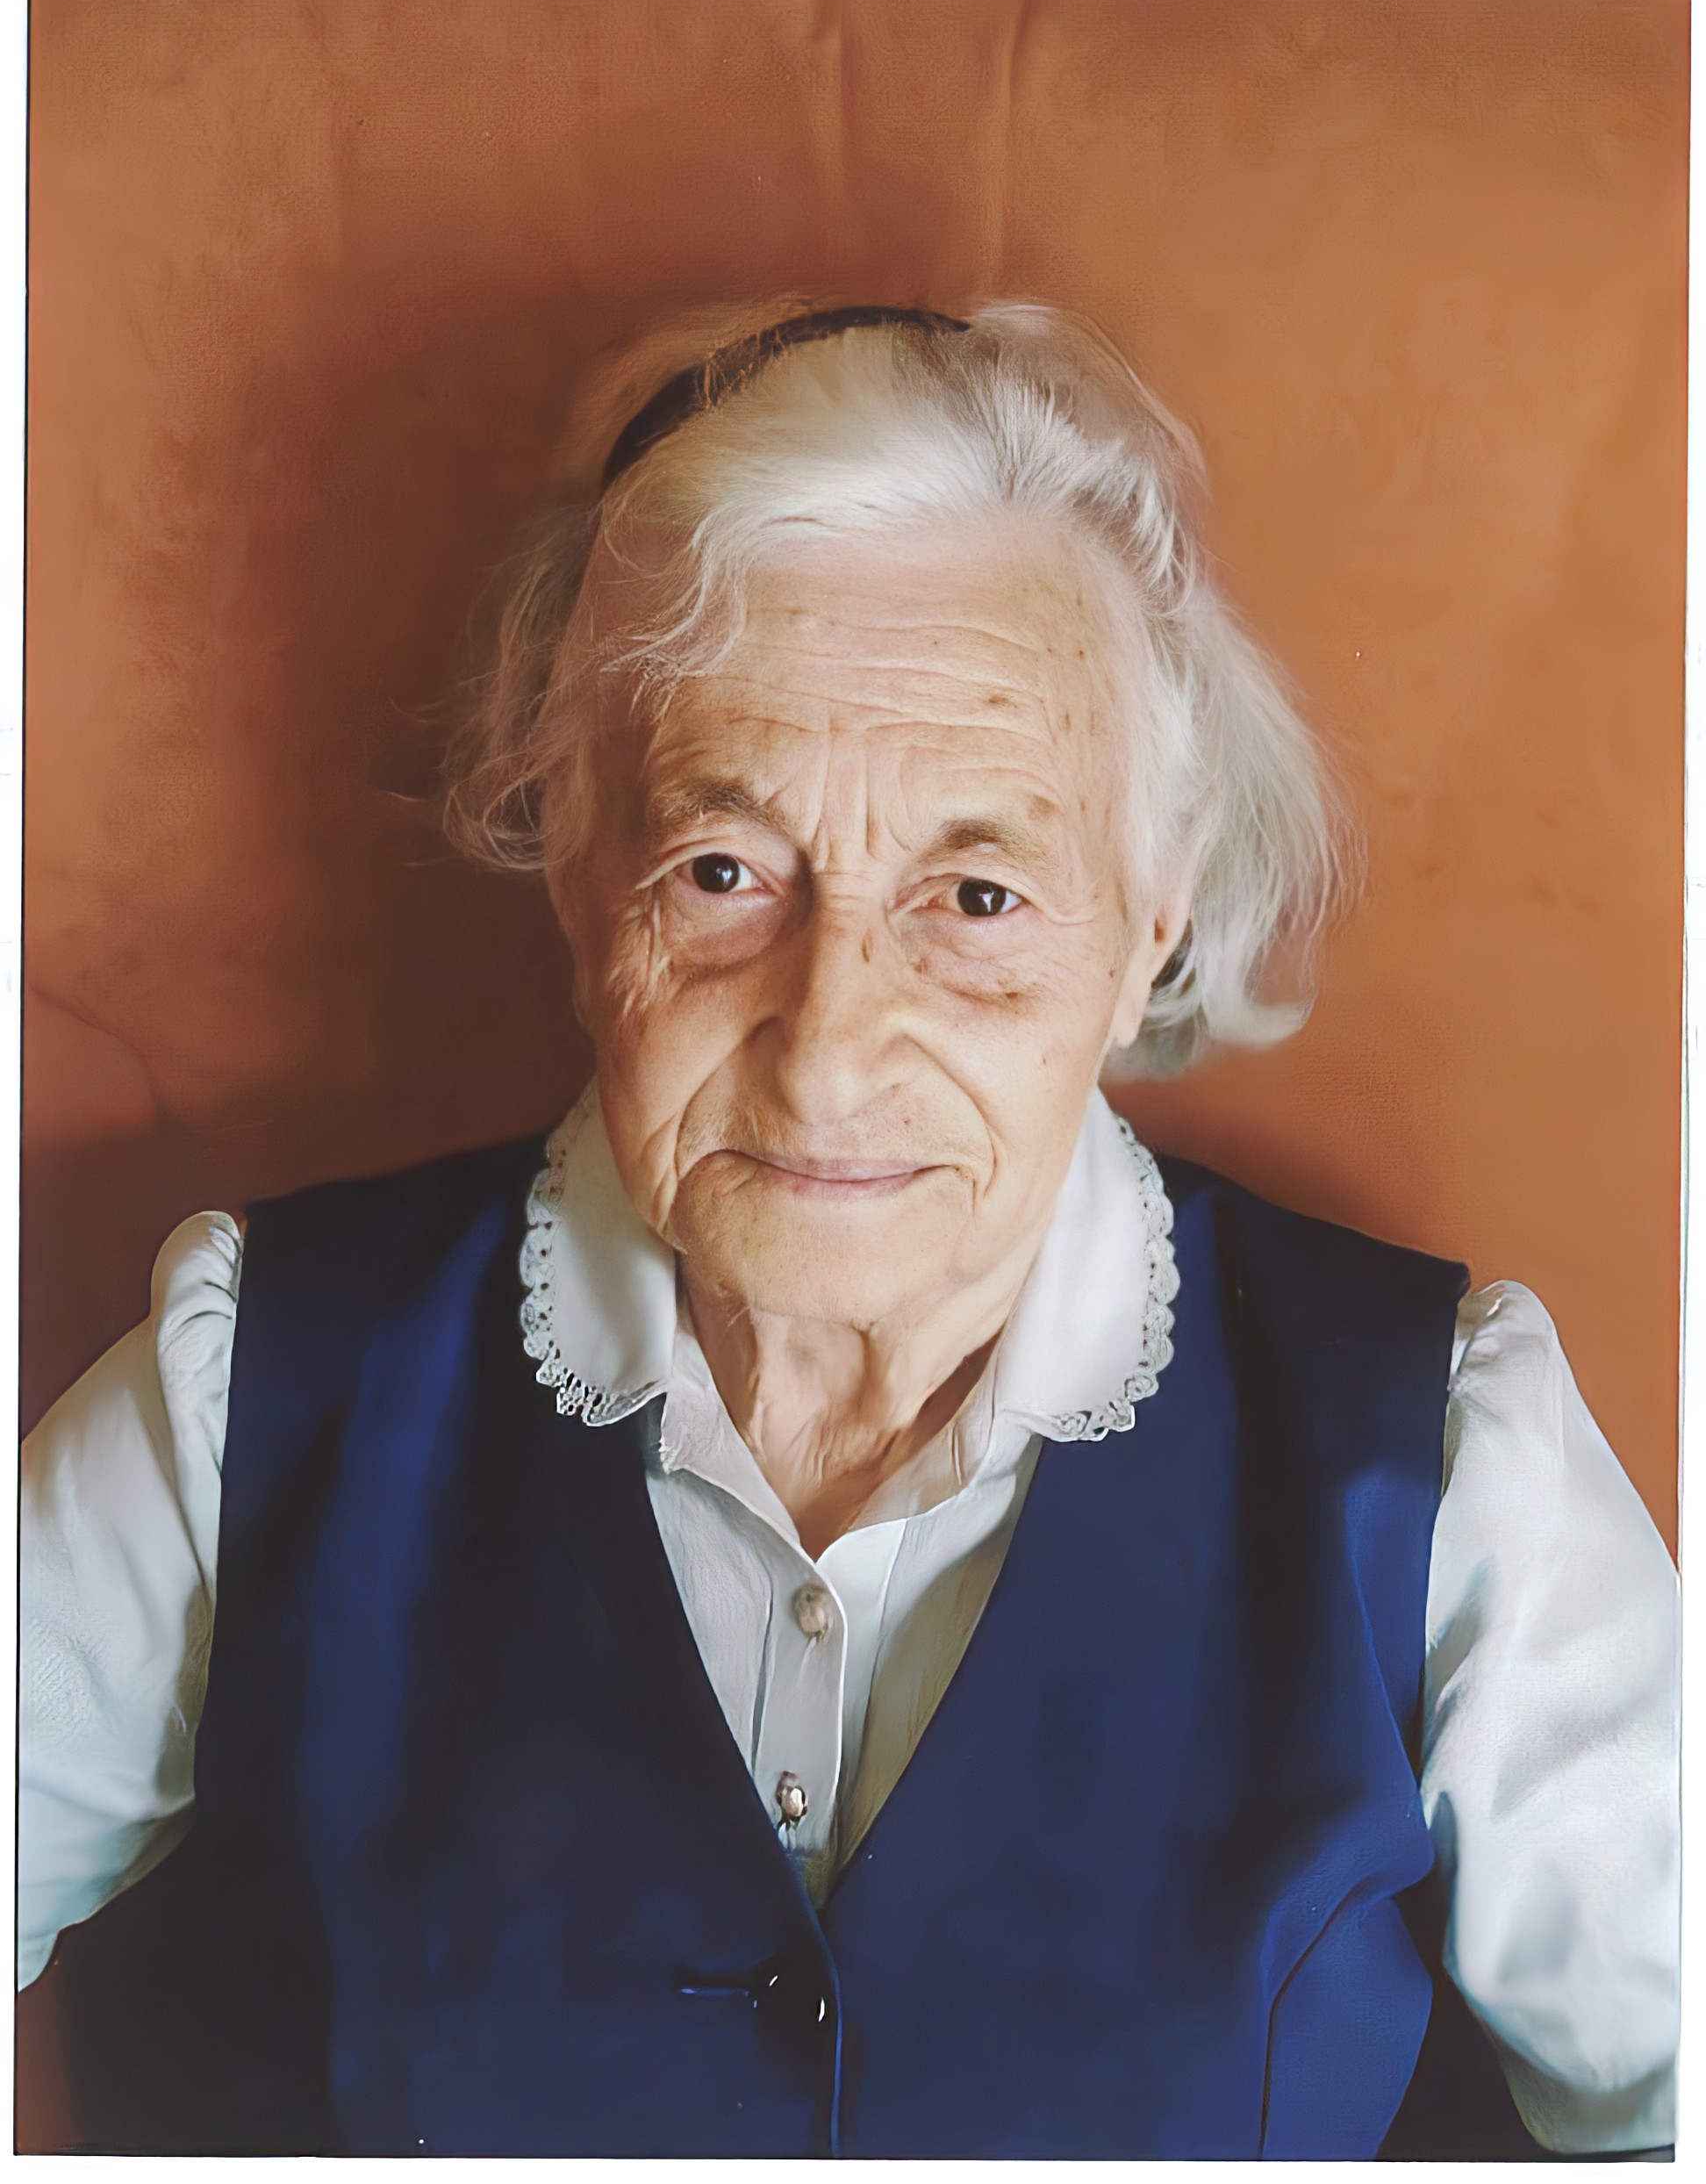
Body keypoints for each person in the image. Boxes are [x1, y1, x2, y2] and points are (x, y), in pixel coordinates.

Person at [18, 301, 1679, 2159]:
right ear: (579, 869)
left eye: (976, 896)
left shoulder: (1443, 1459)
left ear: (1152, 918)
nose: (824, 1053)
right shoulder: (249, 1393)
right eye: (723, 872)